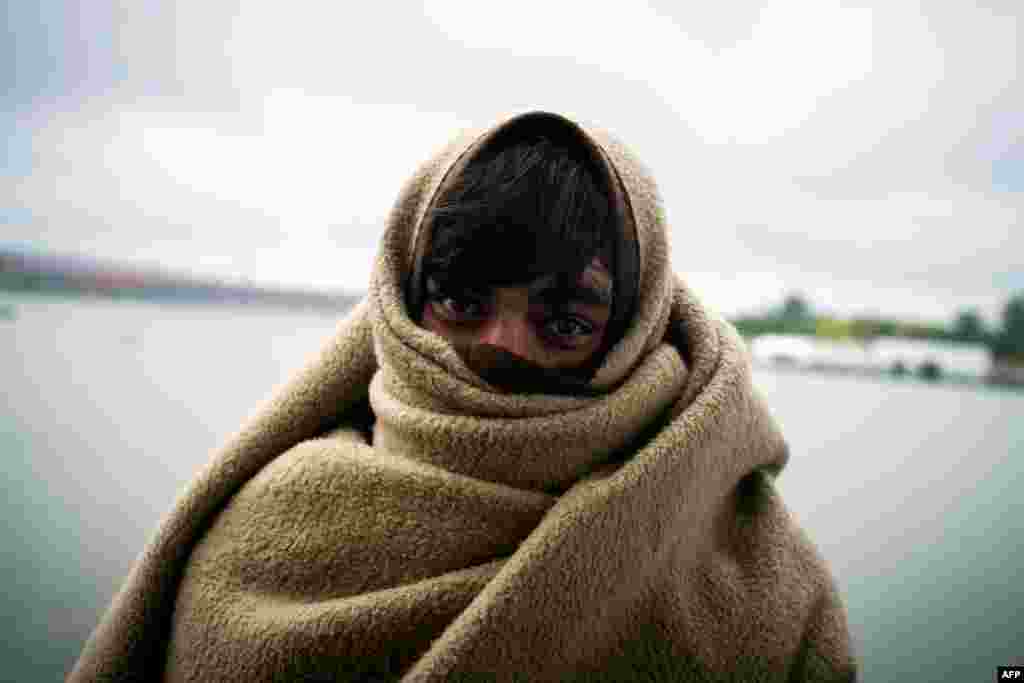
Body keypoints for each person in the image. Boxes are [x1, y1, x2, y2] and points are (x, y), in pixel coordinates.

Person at [70, 111, 856, 681]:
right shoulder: (259, 542)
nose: (505, 345)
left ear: (633, 330)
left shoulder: (753, 579)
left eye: (565, 320)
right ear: (405, 303)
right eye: (462, 300)